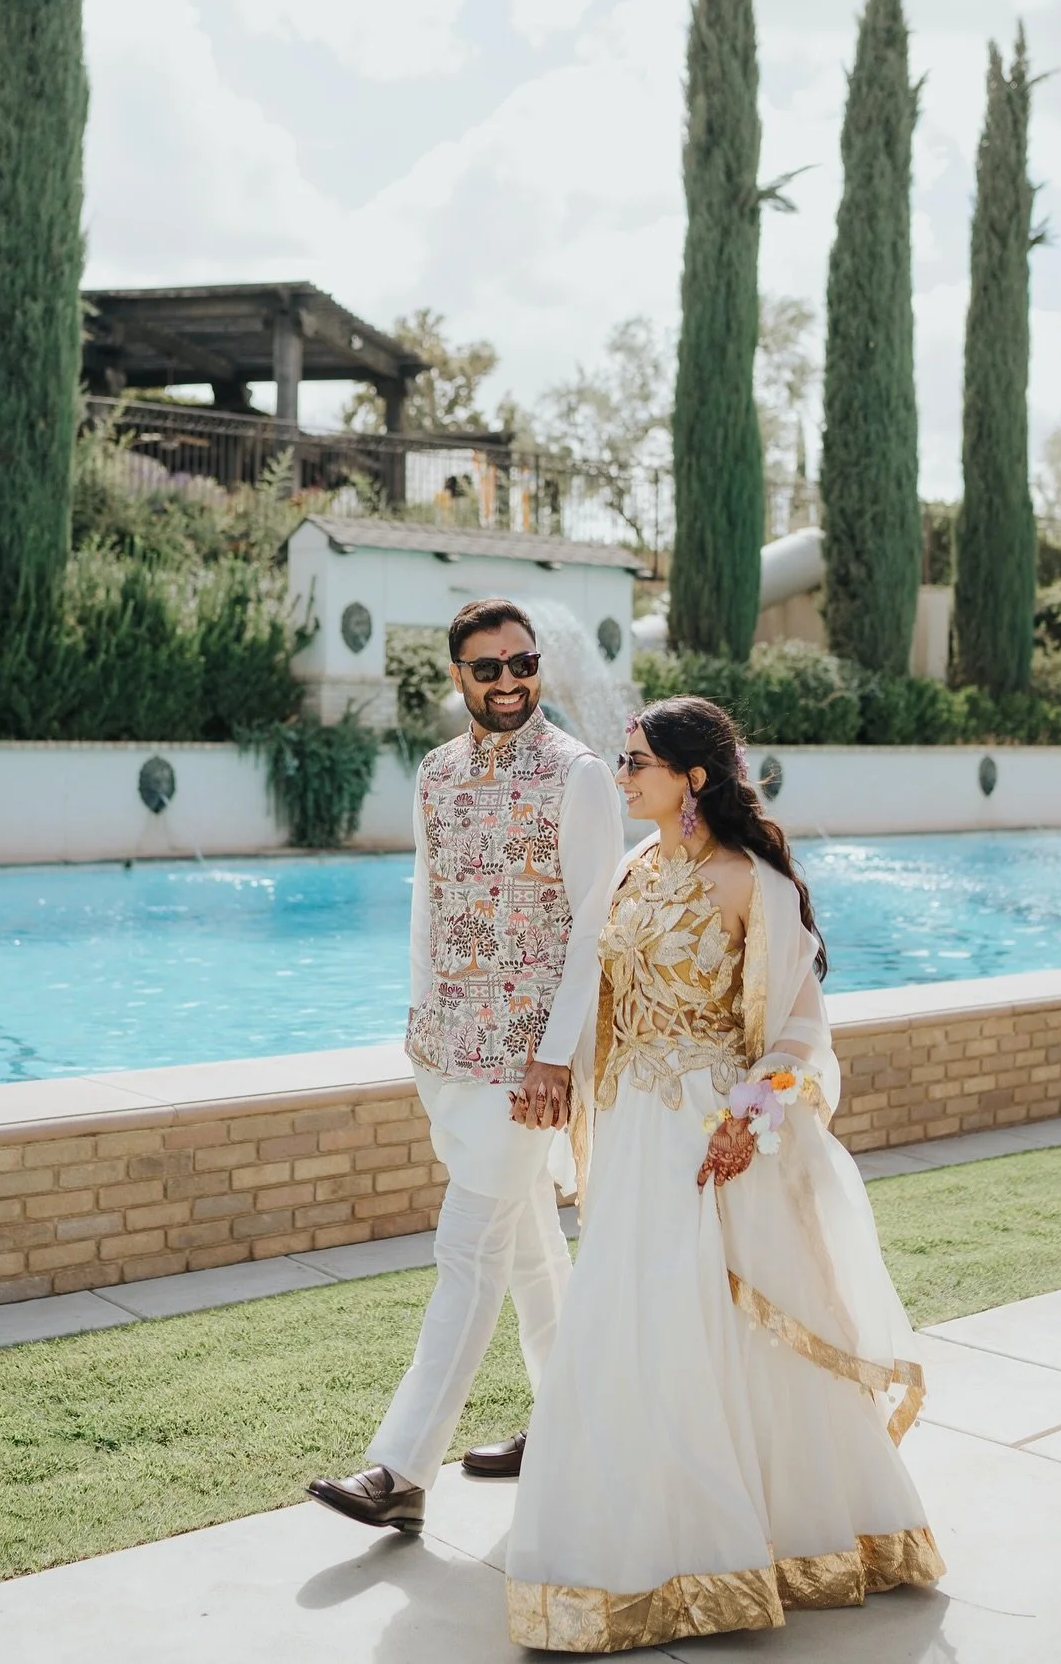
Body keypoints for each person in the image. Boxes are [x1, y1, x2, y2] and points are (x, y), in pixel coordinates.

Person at [506, 695, 943, 1652]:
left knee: (705, 1320)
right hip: (628, 1128)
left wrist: (752, 1116)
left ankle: (743, 1550)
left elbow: (798, 1031)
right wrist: (555, 1084)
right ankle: (634, 1534)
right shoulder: (631, 871)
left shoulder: (756, 886)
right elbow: (602, 998)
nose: (622, 777)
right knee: (628, 1317)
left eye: (638, 763)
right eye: (623, 761)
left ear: (692, 779)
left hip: (709, 1133)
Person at [308, 597, 624, 1535]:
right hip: (446, 1051)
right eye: (486, 668)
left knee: (466, 1252)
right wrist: (419, 1026)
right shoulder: (436, 773)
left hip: (527, 1068)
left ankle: (400, 1469)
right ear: (457, 676)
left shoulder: (579, 777)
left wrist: (556, 1058)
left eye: (521, 663)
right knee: (528, 1251)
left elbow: (594, 931)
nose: (508, 681)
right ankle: (570, 1420)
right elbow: (427, 903)